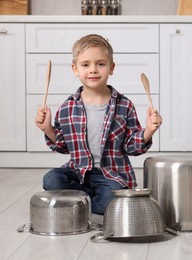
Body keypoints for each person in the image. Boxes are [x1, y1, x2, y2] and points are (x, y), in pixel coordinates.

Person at [34, 34, 162, 215]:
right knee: (51, 180)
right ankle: (89, 201)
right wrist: (47, 128)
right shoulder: (67, 107)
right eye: (85, 64)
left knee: (109, 198)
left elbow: (131, 147)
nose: (93, 70)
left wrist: (149, 130)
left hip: (111, 175)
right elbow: (63, 146)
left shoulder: (124, 106)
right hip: (78, 172)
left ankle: (80, 204)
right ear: (75, 69)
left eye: (100, 64)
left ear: (111, 67)